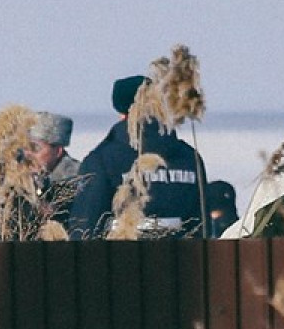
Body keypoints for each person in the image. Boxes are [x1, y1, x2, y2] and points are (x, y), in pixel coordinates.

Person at [68, 75, 208, 238]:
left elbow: (85, 227)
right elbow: (202, 225)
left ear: (121, 112)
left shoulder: (102, 159)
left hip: (121, 258)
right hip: (184, 259)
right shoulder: (189, 158)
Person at [28, 111, 80, 231]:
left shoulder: (75, 177)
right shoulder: (33, 176)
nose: (28, 154)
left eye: (35, 148)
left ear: (58, 151)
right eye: (26, 147)